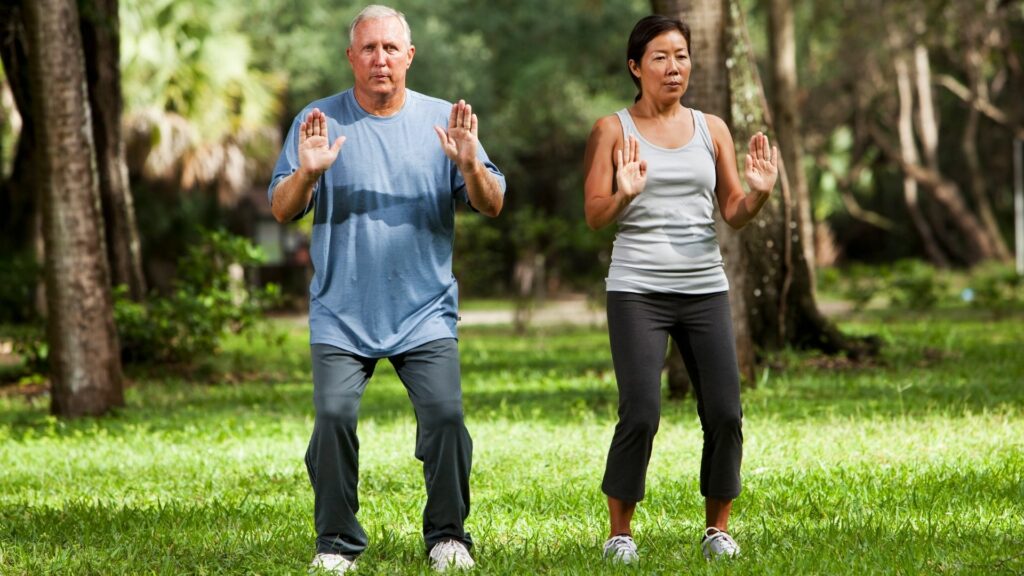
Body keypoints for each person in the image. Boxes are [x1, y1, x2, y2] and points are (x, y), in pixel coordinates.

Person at [267, 5, 506, 574]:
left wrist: (471, 166)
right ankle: (336, 541)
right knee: (331, 419)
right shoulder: (318, 118)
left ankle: (448, 535)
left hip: (424, 311)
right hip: (340, 311)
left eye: (391, 49)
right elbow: (282, 209)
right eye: (368, 49)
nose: (380, 59)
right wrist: (307, 173)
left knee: (446, 418)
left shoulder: (444, 120)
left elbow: (493, 203)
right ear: (351, 57)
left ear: (410, 56)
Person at [582, 14, 778, 565]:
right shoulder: (611, 130)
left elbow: (735, 212)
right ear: (635, 67)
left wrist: (759, 194)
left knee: (725, 411)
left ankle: (717, 529)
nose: (674, 67)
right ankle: (620, 532)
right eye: (661, 57)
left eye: (682, 56)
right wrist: (623, 194)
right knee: (641, 411)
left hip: (703, 288)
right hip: (636, 289)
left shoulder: (711, 128)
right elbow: (595, 215)